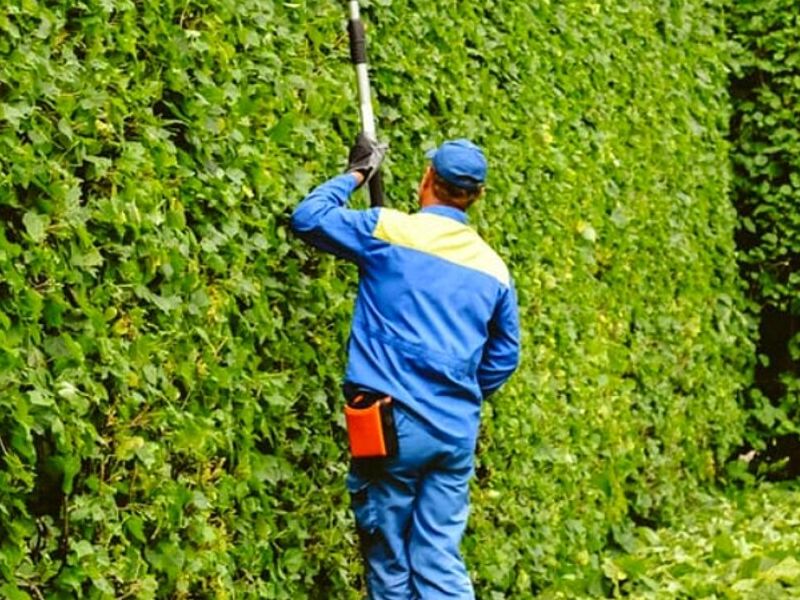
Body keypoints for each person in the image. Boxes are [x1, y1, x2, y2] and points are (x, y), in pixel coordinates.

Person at [290, 134, 520, 599]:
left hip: (390, 424)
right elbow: (504, 356)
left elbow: (307, 218)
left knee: (389, 558)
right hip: (455, 430)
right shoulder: (495, 270)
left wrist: (358, 174)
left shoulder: (388, 231)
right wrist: (459, 390)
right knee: (439, 558)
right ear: (475, 197)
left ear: (426, 180)